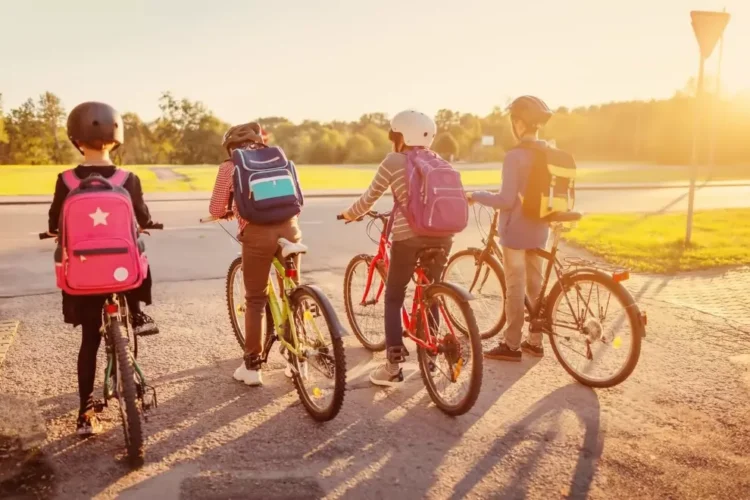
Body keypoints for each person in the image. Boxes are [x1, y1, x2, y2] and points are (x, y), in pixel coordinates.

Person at [48, 101, 160, 436]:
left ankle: (84, 414)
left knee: (88, 342)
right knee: (139, 249)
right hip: (121, 273)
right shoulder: (128, 178)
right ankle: (137, 312)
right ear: (116, 138)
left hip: (83, 276)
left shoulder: (66, 180)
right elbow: (141, 219)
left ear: (76, 140)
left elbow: (55, 224)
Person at [339, 110, 452, 387]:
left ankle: (392, 367)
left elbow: (369, 198)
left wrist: (350, 214)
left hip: (408, 236)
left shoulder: (394, 160)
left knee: (394, 295)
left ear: (399, 136)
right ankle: (431, 357)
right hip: (444, 236)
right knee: (431, 293)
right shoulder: (438, 161)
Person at [209, 122, 301, 387]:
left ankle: (252, 366)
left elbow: (216, 207)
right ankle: (297, 357)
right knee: (292, 291)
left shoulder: (229, 166)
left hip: (257, 235)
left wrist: (228, 210)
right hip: (291, 230)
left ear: (230, 147)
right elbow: (297, 199)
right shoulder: (278, 157)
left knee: (256, 299)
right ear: (259, 141)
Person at [469, 95, 554, 362]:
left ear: (518, 123)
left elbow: (506, 200)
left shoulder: (515, 156)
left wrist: (477, 195)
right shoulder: (550, 152)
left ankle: (511, 344)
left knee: (515, 286)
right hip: (541, 228)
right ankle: (535, 341)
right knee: (535, 285)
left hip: (516, 230)